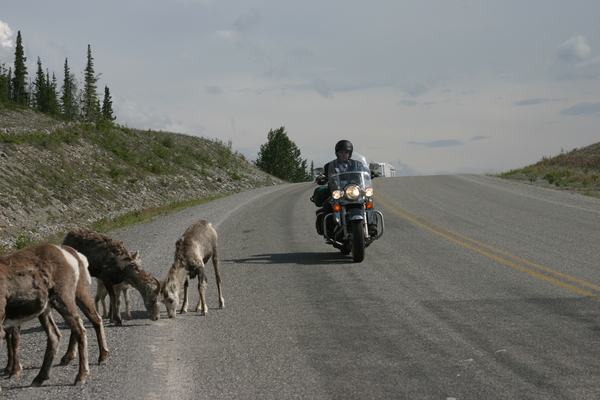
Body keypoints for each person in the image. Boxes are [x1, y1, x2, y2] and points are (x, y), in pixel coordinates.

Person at [315, 140, 378, 237]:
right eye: (341, 152)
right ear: (337, 153)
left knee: (369, 201)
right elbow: (325, 175)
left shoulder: (357, 164)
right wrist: (321, 177)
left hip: (354, 190)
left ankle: (372, 226)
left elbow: (364, 173)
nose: (344, 154)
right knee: (328, 203)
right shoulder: (329, 166)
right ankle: (329, 229)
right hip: (339, 191)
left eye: (346, 152)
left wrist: (371, 173)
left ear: (350, 153)